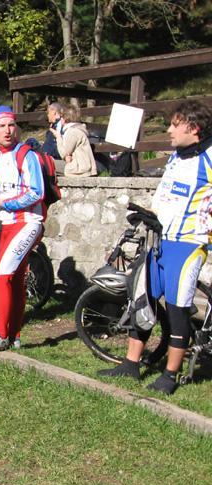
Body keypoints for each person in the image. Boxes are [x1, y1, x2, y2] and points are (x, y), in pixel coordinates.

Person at [98, 100, 212, 395]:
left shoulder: (210, 157)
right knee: (143, 299)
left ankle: (170, 375)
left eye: (175, 124)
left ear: (194, 127)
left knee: (177, 310)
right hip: (161, 240)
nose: (169, 130)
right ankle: (131, 364)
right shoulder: (177, 156)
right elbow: (167, 195)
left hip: (187, 245)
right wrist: (149, 213)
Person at [0, 105, 46, 354]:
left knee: (0, 275)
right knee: (14, 280)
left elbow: (37, 192)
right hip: (7, 223)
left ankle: (0, 334)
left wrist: (6, 203)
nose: (8, 130)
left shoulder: (26, 155)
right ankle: (14, 335)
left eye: (11, 125)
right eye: (1, 126)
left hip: (27, 222)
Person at [53, 105, 97, 177]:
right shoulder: (77, 129)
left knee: (46, 164)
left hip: (79, 169)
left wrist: (58, 137)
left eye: (61, 118)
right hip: (81, 166)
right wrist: (67, 157)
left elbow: (64, 153)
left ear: (64, 119)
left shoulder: (73, 132)